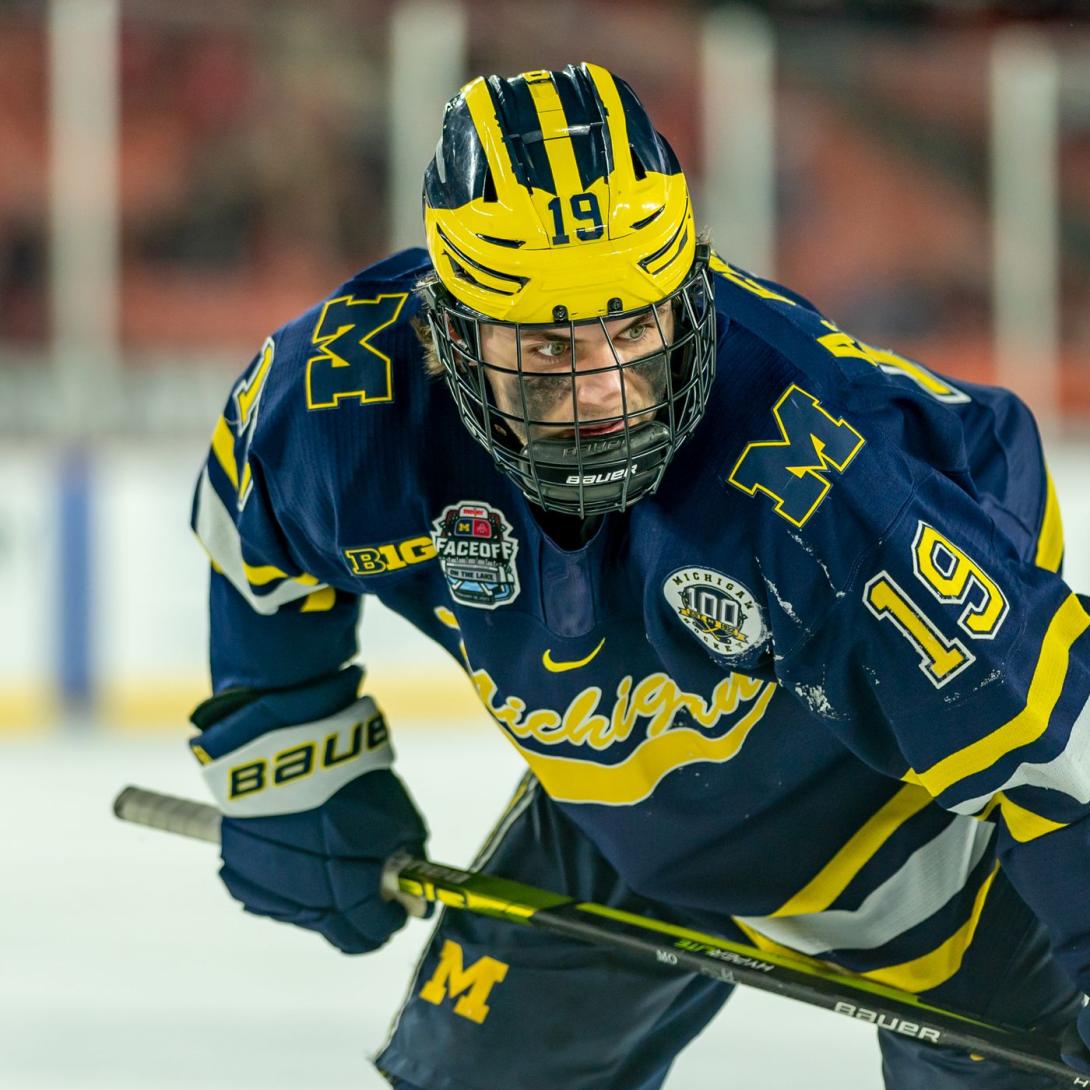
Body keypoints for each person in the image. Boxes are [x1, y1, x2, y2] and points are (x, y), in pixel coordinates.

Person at [188, 62, 1090, 1089]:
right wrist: (292, 753)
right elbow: (247, 516)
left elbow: (1050, 735)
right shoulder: (350, 398)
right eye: (549, 346)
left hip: (908, 820)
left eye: (633, 329)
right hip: (626, 809)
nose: (608, 394)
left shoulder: (828, 478)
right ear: (450, 333)